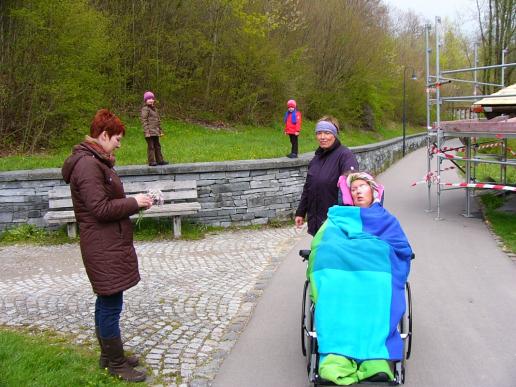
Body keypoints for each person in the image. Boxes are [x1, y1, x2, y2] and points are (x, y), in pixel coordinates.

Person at [62, 109, 154, 382]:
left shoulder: (94, 161)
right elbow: (100, 208)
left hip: (106, 244)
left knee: (107, 301)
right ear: (103, 135)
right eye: (117, 139)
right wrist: (134, 202)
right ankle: (115, 363)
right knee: (111, 303)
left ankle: (109, 356)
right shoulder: (88, 165)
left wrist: (133, 204)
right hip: (102, 246)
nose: (119, 144)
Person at [307, 172, 413, 385]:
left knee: (378, 291)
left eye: (362, 186)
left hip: (376, 271)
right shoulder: (337, 216)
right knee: (332, 287)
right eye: (353, 189)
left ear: (374, 190)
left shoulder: (386, 219)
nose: (357, 191)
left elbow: (400, 247)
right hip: (340, 269)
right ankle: (336, 358)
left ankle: (374, 360)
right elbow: (323, 244)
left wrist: (374, 248)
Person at [294, 116, 359, 235]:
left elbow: (352, 188)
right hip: (317, 222)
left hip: (335, 224)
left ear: (335, 134)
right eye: (319, 133)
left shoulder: (345, 156)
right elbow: (308, 187)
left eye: (327, 133)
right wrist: (300, 212)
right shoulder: (316, 159)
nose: (322, 137)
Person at [140, 91, 168, 166]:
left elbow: (158, 121)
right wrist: (147, 132)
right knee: (151, 147)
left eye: (152, 98)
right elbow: (144, 120)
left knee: (157, 146)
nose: (151, 100)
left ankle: (160, 160)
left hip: (155, 131)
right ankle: (151, 161)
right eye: (148, 99)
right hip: (149, 132)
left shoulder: (155, 109)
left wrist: (160, 130)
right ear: (145, 100)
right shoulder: (145, 109)